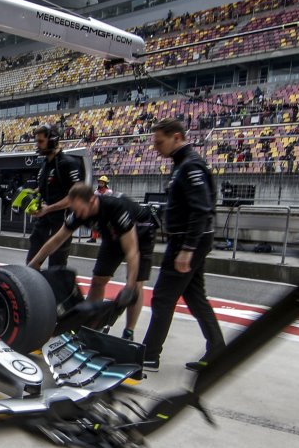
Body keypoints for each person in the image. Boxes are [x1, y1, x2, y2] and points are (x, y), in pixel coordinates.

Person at [140, 119, 224, 373]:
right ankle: (218, 349)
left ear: (176, 137)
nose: (156, 147)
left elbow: (201, 210)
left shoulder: (191, 166)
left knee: (163, 298)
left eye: (159, 141)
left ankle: (149, 355)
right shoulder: (182, 165)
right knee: (195, 296)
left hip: (189, 240)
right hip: (189, 239)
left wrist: (187, 248)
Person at [28, 181, 155, 339]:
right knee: (98, 281)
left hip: (140, 232)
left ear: (92, 200)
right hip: (112, 235)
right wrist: (35, 263)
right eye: (75, 210)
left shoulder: (116, 208)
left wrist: (129, 287)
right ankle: (90, 324)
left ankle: (129, 332)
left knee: (136, 285)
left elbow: (132, 252)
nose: (78, 215)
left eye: (80, 210)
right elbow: (57, 239)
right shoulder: (78, 212)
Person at [26, 123, 85, 267]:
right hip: (43, 221)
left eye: (40, 141)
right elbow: (43, 190)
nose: (38, 145)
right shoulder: (45, 164)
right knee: (31, 263)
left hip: (61, 222)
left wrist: (48, 208)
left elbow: (74, 198)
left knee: (56, 268)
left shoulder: (67, 163)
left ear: (52, 140)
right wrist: (32, 198)